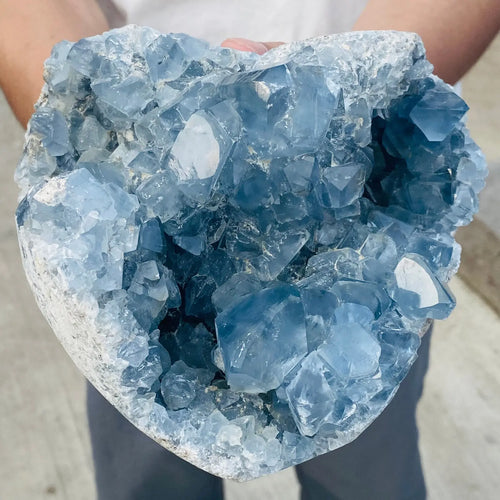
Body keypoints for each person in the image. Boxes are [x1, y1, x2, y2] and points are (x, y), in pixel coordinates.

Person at [1, 1, 499, 499]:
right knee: (147, 470)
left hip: (369, 169)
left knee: (368, 472)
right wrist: (80, 115)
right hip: (142, 249)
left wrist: (337, 91)